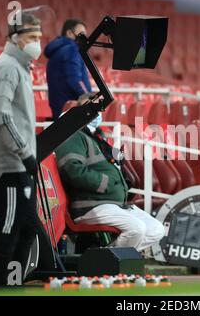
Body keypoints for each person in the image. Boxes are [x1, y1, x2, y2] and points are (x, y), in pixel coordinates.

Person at [0, 13, 42, 287]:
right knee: (9, 228)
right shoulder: (7, 68)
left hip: (17, 164)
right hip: (9, 166)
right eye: (32, 37)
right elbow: (1, 117)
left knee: (27, 228)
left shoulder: (20, 67)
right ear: (15, 38)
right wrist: (24, 152)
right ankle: (2, 289)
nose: (37, 43)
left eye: (39, 37)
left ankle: (12, 287)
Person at [55, 102, 165, 252]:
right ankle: (108, 264)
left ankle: (109, 258)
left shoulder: (98, 137)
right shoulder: (73, 136)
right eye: (94, 110)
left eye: (100, 111)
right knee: (136, 229)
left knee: (156, 230)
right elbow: (73, 170)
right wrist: (106, 183)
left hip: (115, 203)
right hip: (92, 204)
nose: (98, 115)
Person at [45, 19, 92, 119]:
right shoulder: (72, 49)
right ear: (69, 33)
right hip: (72, 108)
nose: (85, 38)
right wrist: (87, 97)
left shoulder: (57, 51)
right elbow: (74, 79)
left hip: (59, 106)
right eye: (81, 34)